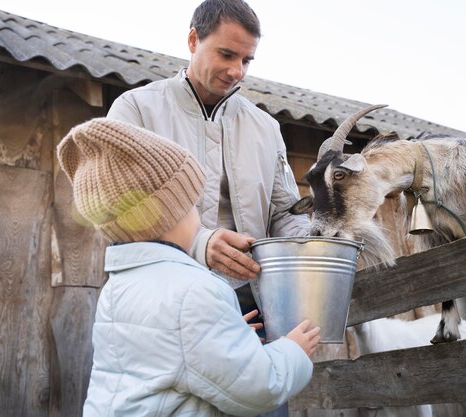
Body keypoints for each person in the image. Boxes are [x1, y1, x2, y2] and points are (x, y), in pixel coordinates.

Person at [57, 118, 320, 416]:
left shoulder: (118, 288)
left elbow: (170, 347)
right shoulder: (195, 291)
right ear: (169, 216)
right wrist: (292, 350)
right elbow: (260, 386)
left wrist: (223, 332)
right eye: (191, 206)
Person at [106, 0, 310, 320]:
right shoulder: (135, 110)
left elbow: (284, 212)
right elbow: (117, 209)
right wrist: (199, 243)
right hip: (159, 301)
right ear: (192, 41)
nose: (237, 71)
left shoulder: (267, 129)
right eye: (227, 54)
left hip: (250, 306)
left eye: (246, 60)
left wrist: (316, 241)